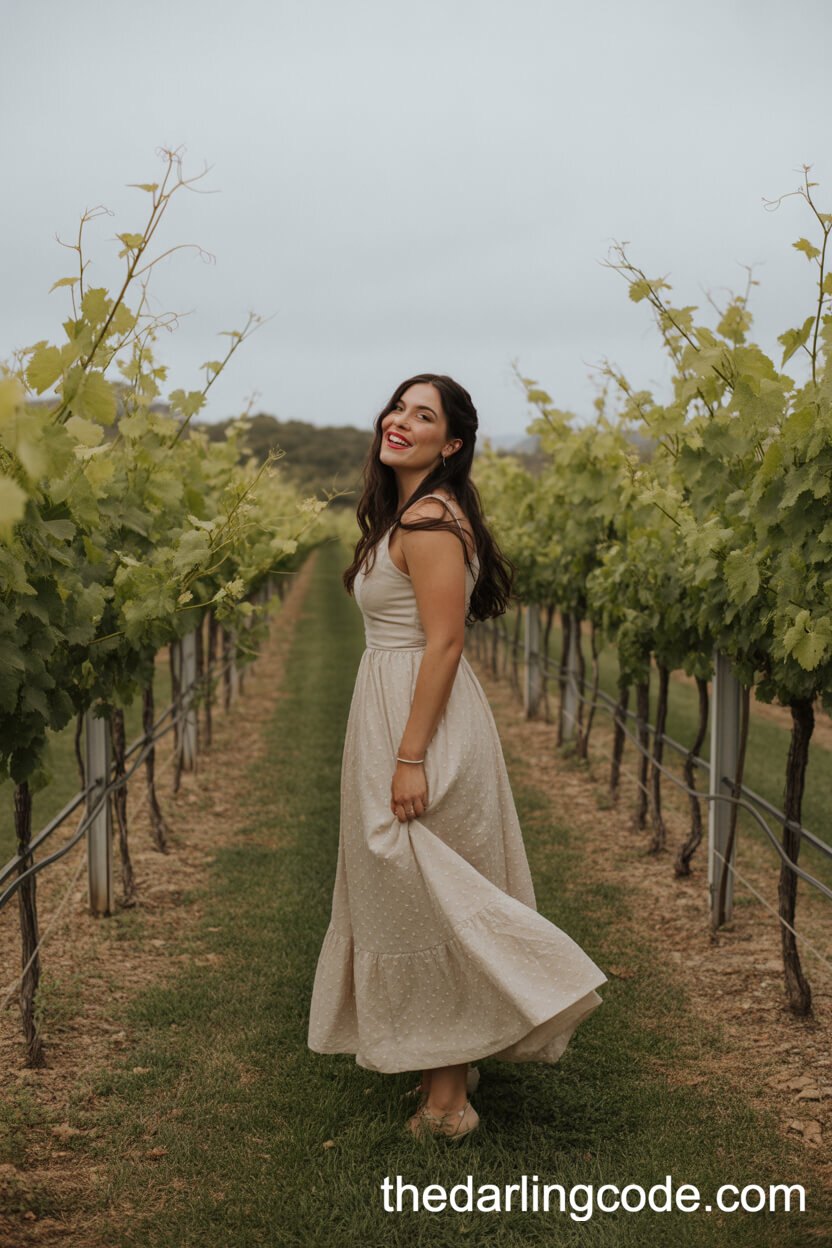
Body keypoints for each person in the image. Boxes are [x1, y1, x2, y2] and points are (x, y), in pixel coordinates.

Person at [307, 373, 607, 1139]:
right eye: (398, 406)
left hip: (421, 720)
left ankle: (448, 1103)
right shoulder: (410, 513)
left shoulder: (432, 520)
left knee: (425, 883)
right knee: (416, 888)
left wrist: (410, 757)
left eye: (423, 415)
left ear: (453, 443)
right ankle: (451, 1063)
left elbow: (444, 641)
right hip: (395, 705)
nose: (400, 421)